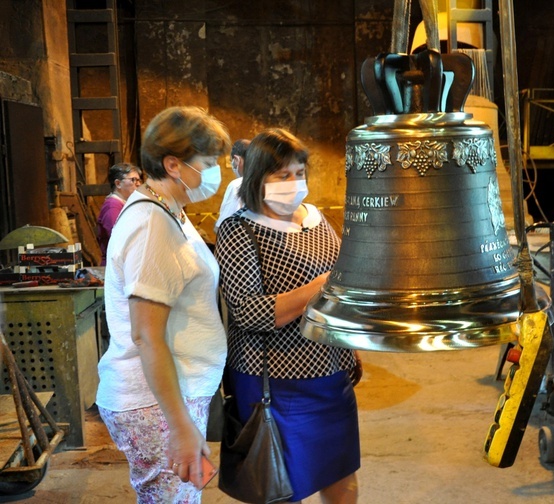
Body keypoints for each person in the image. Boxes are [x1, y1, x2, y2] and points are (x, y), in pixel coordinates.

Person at [215, 128, 360, 504]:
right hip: (275, 383)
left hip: (330, 375)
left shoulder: (315, 219)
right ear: (257, 178)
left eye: (299, 173)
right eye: (283, 175)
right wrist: (318, 287)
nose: (294, 183)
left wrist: (351, 344)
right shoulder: (239, 231)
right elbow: (247, 311)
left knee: (342, 474)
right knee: (279, 487)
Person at [96, 106, 231, 503]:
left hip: (175, 394)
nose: (213, 173)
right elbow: (146, 336)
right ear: (174, 164)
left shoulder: (169, 211)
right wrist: (180, 426)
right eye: (207, 163)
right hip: (156, 402)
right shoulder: (151, 224)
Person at [96, 162, 142, 265]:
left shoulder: (123, 204)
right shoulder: (113, 207)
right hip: (115, 265)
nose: (138, 184)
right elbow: (120, 240)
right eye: (133, 180)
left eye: (138, 180)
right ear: (118, 184)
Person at [214, 138, 250, 234]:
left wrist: (216, 227)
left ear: (237, 160)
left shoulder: (237, 185)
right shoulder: (267, 182)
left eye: (231, 161)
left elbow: (224, 228)